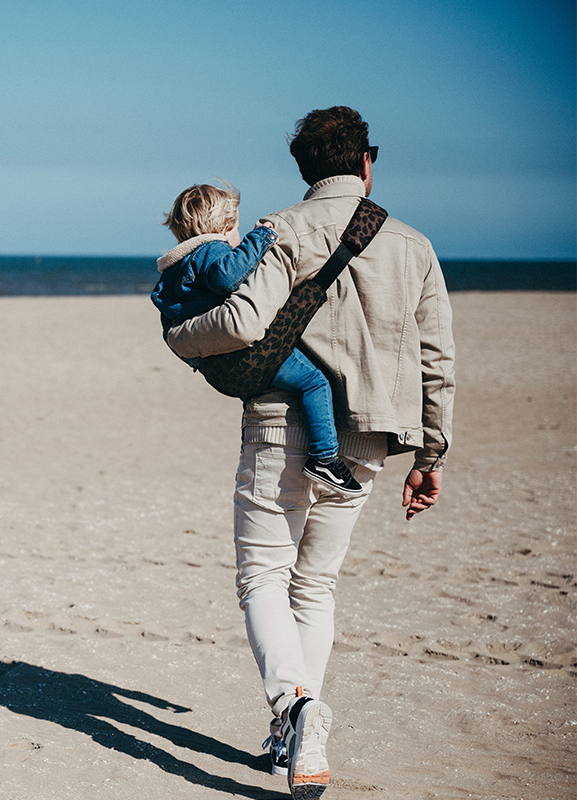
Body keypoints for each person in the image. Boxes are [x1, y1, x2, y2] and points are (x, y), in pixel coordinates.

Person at [165, 107, 455, 798]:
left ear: (304, 170)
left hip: (277, 422)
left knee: (263, 577)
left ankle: (295, 711)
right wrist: (431, 456)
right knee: (315, 585)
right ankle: (294, 737)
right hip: (368, 439)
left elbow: (242, 323)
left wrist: (179, 338)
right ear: (366, 162)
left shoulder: (281, 229)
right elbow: (439, 358)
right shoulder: (413, 245)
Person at [152, 181, 363, 496]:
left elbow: (171, 322)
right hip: (248, 354)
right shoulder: (212, 249)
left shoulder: (172, 273)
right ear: (225, 227)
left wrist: (201, 359)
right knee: (314, 382)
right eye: (236, 228)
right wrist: (262, 236)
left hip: (217, 367)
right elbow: (227, 275)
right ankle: (325, 457)